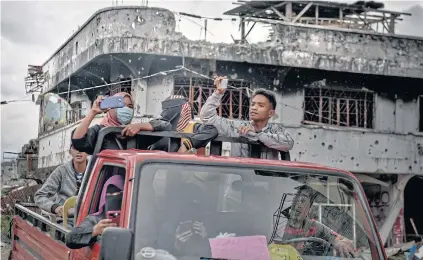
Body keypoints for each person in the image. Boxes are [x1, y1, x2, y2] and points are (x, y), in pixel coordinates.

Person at [200, 76, 294, 160]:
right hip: (241, 177)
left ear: (271, 113)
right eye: (252, 104)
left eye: (260, 105)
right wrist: (218, 93)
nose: (254, 108)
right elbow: (207, 117)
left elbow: (289, 144)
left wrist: (256, 134)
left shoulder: (276, 129)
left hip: (266, 178)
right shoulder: (238, 127)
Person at [72, 92, 171, 155]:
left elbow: (166, 125)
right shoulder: (100, 131)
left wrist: (140, 126)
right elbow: (78, 141)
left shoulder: (137, 133)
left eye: (130, 106)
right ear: (110, 108)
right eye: (121, 105)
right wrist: (93, 112)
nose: (126, 109)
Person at [122, 95, 218, 153]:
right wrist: (139, 126)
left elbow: (212, 130)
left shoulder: (193, 128)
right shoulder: (160, 128)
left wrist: (187, 145)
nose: (166, 112)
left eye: (169, 109)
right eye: (166, 110)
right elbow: (162, 123)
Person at [280, 185, 356, 257]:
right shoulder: (279, 224)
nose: (298, 204)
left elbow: (335, 238)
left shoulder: (314, 226)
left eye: (303, 201)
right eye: (296, 199)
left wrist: (340, 243)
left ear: (309, 207)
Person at [66, 175, 124, 249]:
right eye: (108, 194)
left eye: (118, 194)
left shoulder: (132, 216)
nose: (113, 198)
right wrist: (94, 231)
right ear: (103, 197)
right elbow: (70, 239)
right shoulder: (96, 219)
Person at [34, 145, 88, 219]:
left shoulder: (97, 171)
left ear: (89, 151)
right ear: (70, 151)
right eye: (75, 148)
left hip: (88, 220)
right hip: (64, 221)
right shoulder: (61, 171)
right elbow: (39, 196)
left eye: (83, 148)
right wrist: (55, 208)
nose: (79, 151)